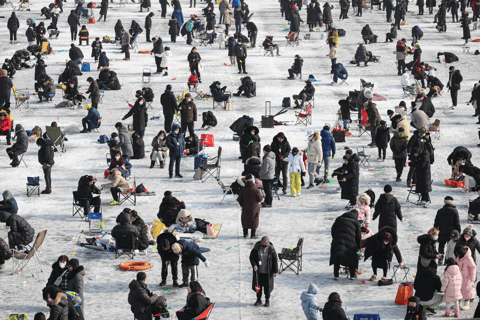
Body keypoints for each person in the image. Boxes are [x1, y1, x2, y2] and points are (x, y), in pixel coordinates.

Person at [330, 210, 361, 280]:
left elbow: (333, 229)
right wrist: (358, 247)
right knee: (352, 257)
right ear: (356, 215)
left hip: (337, 241)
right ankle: (352, 275)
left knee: (337, 257)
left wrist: (335, 238)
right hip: (350, 243)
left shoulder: (339, 219)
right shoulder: (356, 222)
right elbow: (358, 236)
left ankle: (336, 275)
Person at [250, 236, 278, 307]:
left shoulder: (271, 249)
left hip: (268, 273)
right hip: (258, 273)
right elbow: (251, 257)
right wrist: (254, 265)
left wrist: (275, 271)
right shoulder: (256, 248)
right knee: (258, 287)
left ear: (268, 244)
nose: (264, 247)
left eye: (265, 246)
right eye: (262, 245)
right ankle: (258, 299)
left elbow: (275, 260)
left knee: (267, 288)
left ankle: (267, 300)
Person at [434, 196, 461, 265]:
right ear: (451, 202)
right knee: (450, 247)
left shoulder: (440, 211)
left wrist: (435, 230)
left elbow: (436, 222)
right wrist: (458, 231)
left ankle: (440, 258)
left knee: (441, 245)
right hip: (451, 233)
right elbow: (457, 223)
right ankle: (447, 260)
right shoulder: (454, 211)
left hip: (442, 231)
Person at [455, 245, 476, 310]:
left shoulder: (468, 258)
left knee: (467, 290)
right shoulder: (458, 257)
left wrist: (472, 279)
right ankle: (459, 303)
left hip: (467, 278)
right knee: (459, 290)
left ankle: (467, 304)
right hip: (459, 277)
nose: (456, 254)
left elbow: (473, 268)